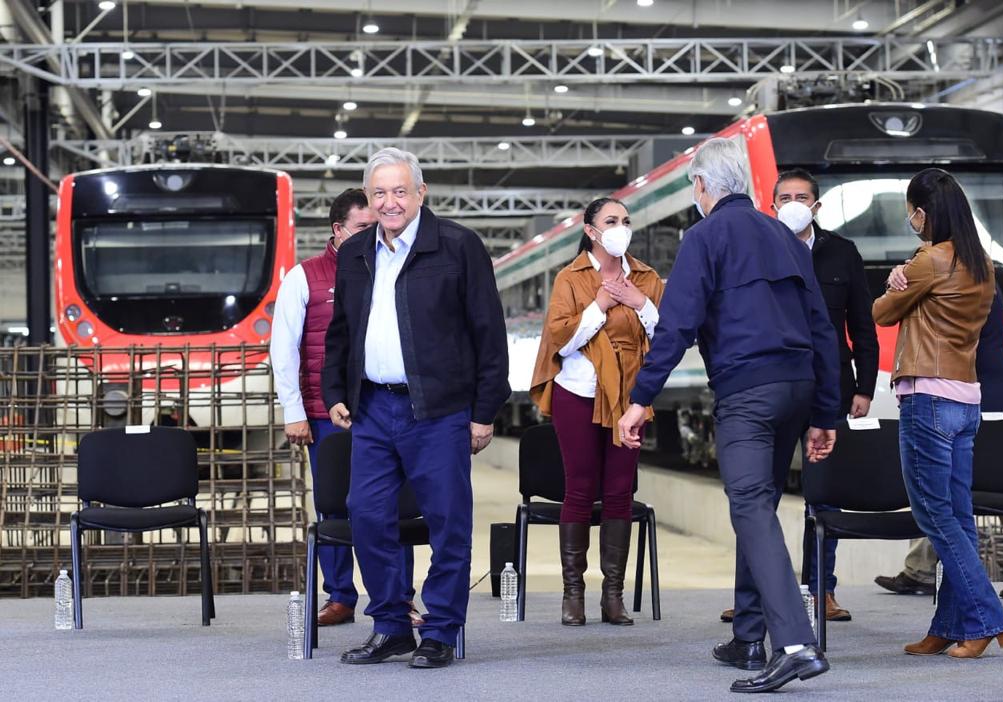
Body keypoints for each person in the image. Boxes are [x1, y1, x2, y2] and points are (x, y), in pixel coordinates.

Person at [618, 138, 839, 694]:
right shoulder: (785, 238)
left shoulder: (704, 237)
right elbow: (821, 327)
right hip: (797, 385)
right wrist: (825, 411)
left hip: (748, 390)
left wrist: (641, 399)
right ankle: (747, 637)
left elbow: (677, 326)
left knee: (749, 505)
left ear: (701, 187)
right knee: (758, 502)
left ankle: (794, 644)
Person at [321, 147, 510, 669]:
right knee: (367, 514)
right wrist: (335, 391)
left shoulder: (457, 247)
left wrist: (485, 409)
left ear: (421, 193)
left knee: (448, 521)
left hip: (440, 409)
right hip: (374, 410)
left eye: (399, 191)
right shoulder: (356, 252)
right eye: (378, 193)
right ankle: (391, 626)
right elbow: (341, 331)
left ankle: (441, 630)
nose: (389, 202)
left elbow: (488, 334)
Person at [721, 170, 878, 624]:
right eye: (784, 196)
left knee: (825, 496)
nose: (793, 203)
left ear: (816, 205)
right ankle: (749, 596)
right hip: (773, 384)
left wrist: (864, 387)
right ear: (771, 205)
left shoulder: (842, 252)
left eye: (801, 197)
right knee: (757, 497)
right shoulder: (754, 249)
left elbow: (862, 326)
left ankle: (821, 590)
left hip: (830, 389)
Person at [873, 167, 1003, 658]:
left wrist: (895, 282)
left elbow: (880, 313)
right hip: (965, 399)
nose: (910, 219)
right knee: (956, 515)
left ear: (922, 213)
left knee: (934, 514)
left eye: (911, 211)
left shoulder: (929, 260)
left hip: (927, 399)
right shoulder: (983, 265)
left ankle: (986, 618)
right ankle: (952, 625)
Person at [270, 189, 420, 628]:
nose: (374, 234)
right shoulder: (304, 277)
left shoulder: (393, 267)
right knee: (335, 506)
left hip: (387, 409)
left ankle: (400, 597)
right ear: (338, 230)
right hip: (325, 413)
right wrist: (293, 411)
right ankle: (340, 596)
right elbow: (285, 350)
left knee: (393, 506)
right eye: (362, 227)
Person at [530, 197, 665, 627]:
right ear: (591, 230)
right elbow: (560, 340)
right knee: (580, 489)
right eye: (611, 221)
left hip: (631, 397)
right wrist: (600, 307)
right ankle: (574, 595)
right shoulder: (569, 278)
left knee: (620, 491)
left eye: (626, 220)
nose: (621, 227)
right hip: (577, 392)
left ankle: (614, 596)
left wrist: (640, 303)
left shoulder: (645, 278)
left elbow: (667, 335)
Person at [875, 285, 1003, 600]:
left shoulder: (951, 281)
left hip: (967, 394)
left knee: (939, 483)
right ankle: (921, 569)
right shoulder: (987, 283)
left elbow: (888, 314)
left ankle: (921, 570)